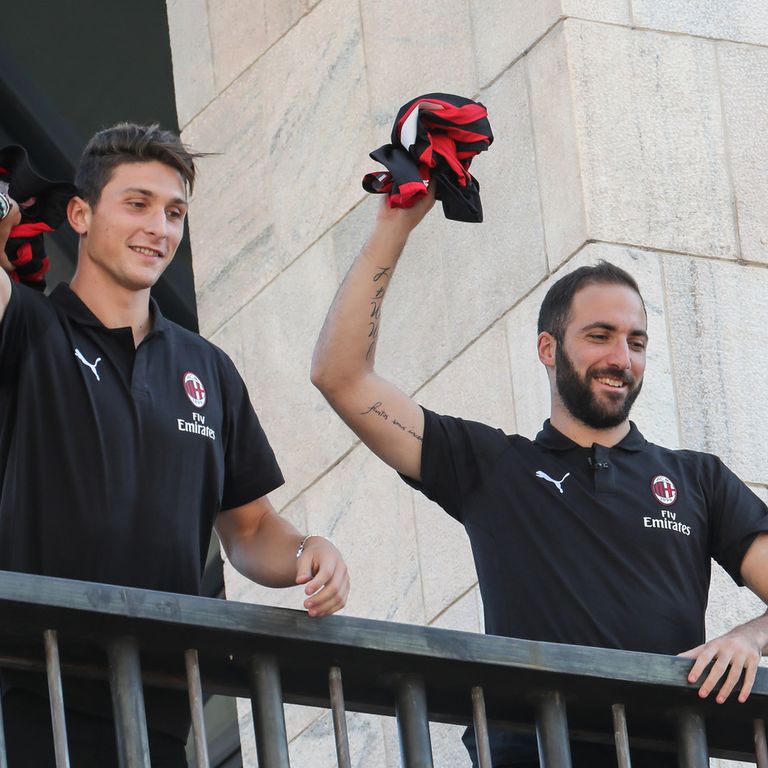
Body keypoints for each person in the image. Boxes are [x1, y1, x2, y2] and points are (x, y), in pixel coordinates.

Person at [311, 187, 768, 767]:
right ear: (547, 349)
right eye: (599, 336)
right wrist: (395, 222)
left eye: (636, 342)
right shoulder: (492, 466)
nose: (621, 358)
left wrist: (748, 637)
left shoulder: (698, 479)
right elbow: (341, 377)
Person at [0, 123, 350, 767]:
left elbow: (249, 528)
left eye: (174, 212)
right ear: (80, 214)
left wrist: (308, 551)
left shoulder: (207, 367)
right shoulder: (27, 325)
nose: (158, 228)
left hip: (161, 702)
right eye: (137, 204)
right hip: (29, 684)